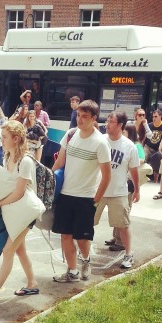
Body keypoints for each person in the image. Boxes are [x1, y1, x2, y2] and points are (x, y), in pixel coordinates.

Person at [0, 121, 44, 304]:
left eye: (4, 137)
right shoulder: (7, 158)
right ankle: (32, 283)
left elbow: (19, 192)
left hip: (26, 212)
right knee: (19, 250)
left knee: (8, 250)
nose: (1, 140)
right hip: (14, 211)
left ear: (16, 138)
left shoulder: (26, 161)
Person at [51, 100, 111, 282]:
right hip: (65, 195)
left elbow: (107, 176)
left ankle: (85, 260)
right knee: (65, 235)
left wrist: (96, 200)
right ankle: (72, 271)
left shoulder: (100, 143)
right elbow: (59, 163)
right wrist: (48, 182)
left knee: (82, 238)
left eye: (85, 116)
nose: (80, 119)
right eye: (78, 115)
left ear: (94, 119)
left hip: (86, 198)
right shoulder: (70, 135)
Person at [94, 111, 140, 269]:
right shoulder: (100, 141)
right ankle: (83, 251)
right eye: (107, 120)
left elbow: (134, 171)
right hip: (97, 191)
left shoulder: (129, 146)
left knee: (123, 225)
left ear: (120, 125)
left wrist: (137, 190)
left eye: (111, 121)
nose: (107, 124)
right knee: (87, 222)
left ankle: (128, 254)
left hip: (119, 192)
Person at [144, 109, 162, 183]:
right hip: (148, 147)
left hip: (157, 149)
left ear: (160, 116)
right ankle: (142, 176)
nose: (154, 118)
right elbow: (145, 136)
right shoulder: (149, 125)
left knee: (157, 158)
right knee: (143, 156)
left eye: (156, 116)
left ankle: (156, 180)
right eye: (153, 117)